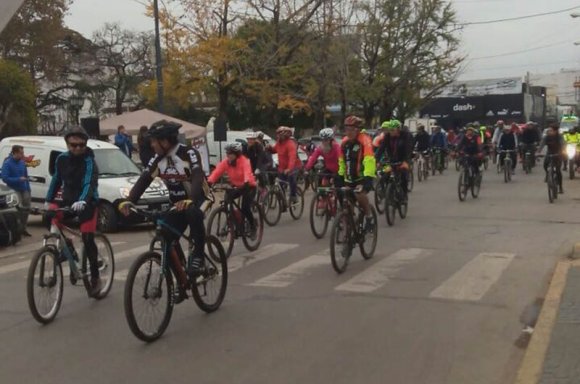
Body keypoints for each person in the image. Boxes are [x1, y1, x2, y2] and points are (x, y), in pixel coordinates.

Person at [118, 120, 208, 288]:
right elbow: (144, 180)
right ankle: (182, 281)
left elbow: (197, 176)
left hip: (199, 197)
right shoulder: (158, 159)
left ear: (165, 141)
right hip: (176, 203)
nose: (151, 144)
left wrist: (192, 199)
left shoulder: (188, 153)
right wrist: (129, 201)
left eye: (154, 141)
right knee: (166, 235)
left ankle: (198, 256)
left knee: (193, 212)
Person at [45, 127, 101, 296]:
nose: (77, 148)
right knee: (52, 215)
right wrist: (48, 200)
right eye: (73, 145)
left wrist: (83, 200)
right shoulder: (61, 159)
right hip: (68, 200)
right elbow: (56, 179)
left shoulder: (89, 161)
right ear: (67, 144)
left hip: (88, 201)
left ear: (85, 144)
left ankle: (95, 277)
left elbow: (88, 183)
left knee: (87, 236)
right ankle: (66, 246)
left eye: (81, 145)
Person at [207, 142, 257, 235]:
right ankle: (236, 220)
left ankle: (252, 225)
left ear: (237, 154)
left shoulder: (244, 161)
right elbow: (217, 172)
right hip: (237, 186)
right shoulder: (226, 162)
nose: (228, 155)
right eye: (227, 153)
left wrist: (246, 182)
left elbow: (247, 172)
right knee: (227, 200)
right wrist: (209, 182)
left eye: (231, 153)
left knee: (245, 208)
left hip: (249, 186)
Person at [338, 115, 376, 231]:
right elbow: (341, 161)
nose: (348, 132)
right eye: (346, 129)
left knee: (359, 194)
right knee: (345, 202)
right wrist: (340, 176)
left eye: (351, 129)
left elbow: (369, 159)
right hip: (349, 178)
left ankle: (369, 216)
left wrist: (367, 178)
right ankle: (349, 226)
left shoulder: (365, 140)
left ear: (358, 129)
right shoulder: (344, 142)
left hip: (362, 177)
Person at [375, 119, 412, 199]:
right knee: (386, 174)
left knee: (403, 176)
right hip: (392, 160)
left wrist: (405, 161)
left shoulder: (405, 136)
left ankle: (404, 194)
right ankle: (389, 192)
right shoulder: (387, 136)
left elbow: (408, 149)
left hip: (403, 159)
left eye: (392, 130)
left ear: (398, 129)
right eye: (389, 130)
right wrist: (376, 160)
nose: (390, 132)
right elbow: (381, 148)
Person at [1, 145, 31, 236]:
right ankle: (16, 230)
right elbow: (5, 178)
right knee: (17, 211)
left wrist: (28, 188)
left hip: (25, 189)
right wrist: (18, 179)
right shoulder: (7, 163)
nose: (23, 155)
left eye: (23, 153)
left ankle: (23, 228)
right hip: (14, 190)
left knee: (26, 209)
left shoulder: (22, 162)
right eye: (21, 153)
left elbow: (25, 176)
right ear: (15, 153)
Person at [268, 126, 300, 204]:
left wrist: (289, 168)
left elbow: (292, 158)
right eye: (278, 134)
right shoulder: (279, 143)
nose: (278, 136)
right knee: (280, 184)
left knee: (291, 178)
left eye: (280, 134)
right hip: (282, 167)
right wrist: (269, 148)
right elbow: (274, 150)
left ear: (286, 135)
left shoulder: (290, 144)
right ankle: (283, 201)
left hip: (294, 166)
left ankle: (293, 196)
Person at [538, 123, 565, 194]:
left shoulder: (559, 137)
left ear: (555, 131)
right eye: (549, 130)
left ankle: (560, 187)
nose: (549, 131)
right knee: (545, 164)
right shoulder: (546, 137)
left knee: (558, 171)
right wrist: (538, 152)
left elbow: (563, 144)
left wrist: (562, 151)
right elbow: (542, 144)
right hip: (549, 153)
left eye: (551, 130)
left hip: (558, 154)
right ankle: (548, 174)